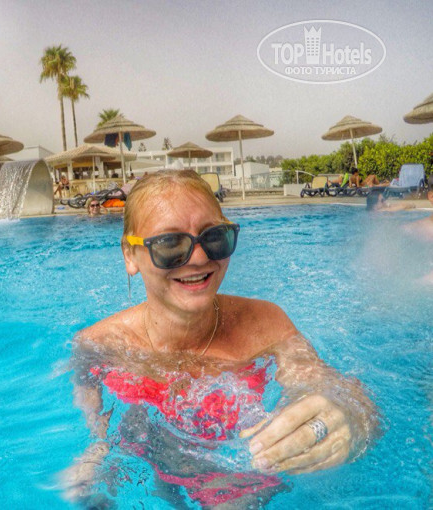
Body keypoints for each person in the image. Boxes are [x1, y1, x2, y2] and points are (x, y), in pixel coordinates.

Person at [62, 170, 378, 507]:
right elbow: (93, 421)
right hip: (139, 455)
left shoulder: (266, 327)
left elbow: (336, 391)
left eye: (215, 237)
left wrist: (349, 421)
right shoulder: (97, 345)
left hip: (231, 472)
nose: (199, 258)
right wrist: (97, 452)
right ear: (130, 254)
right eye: (170, 244)